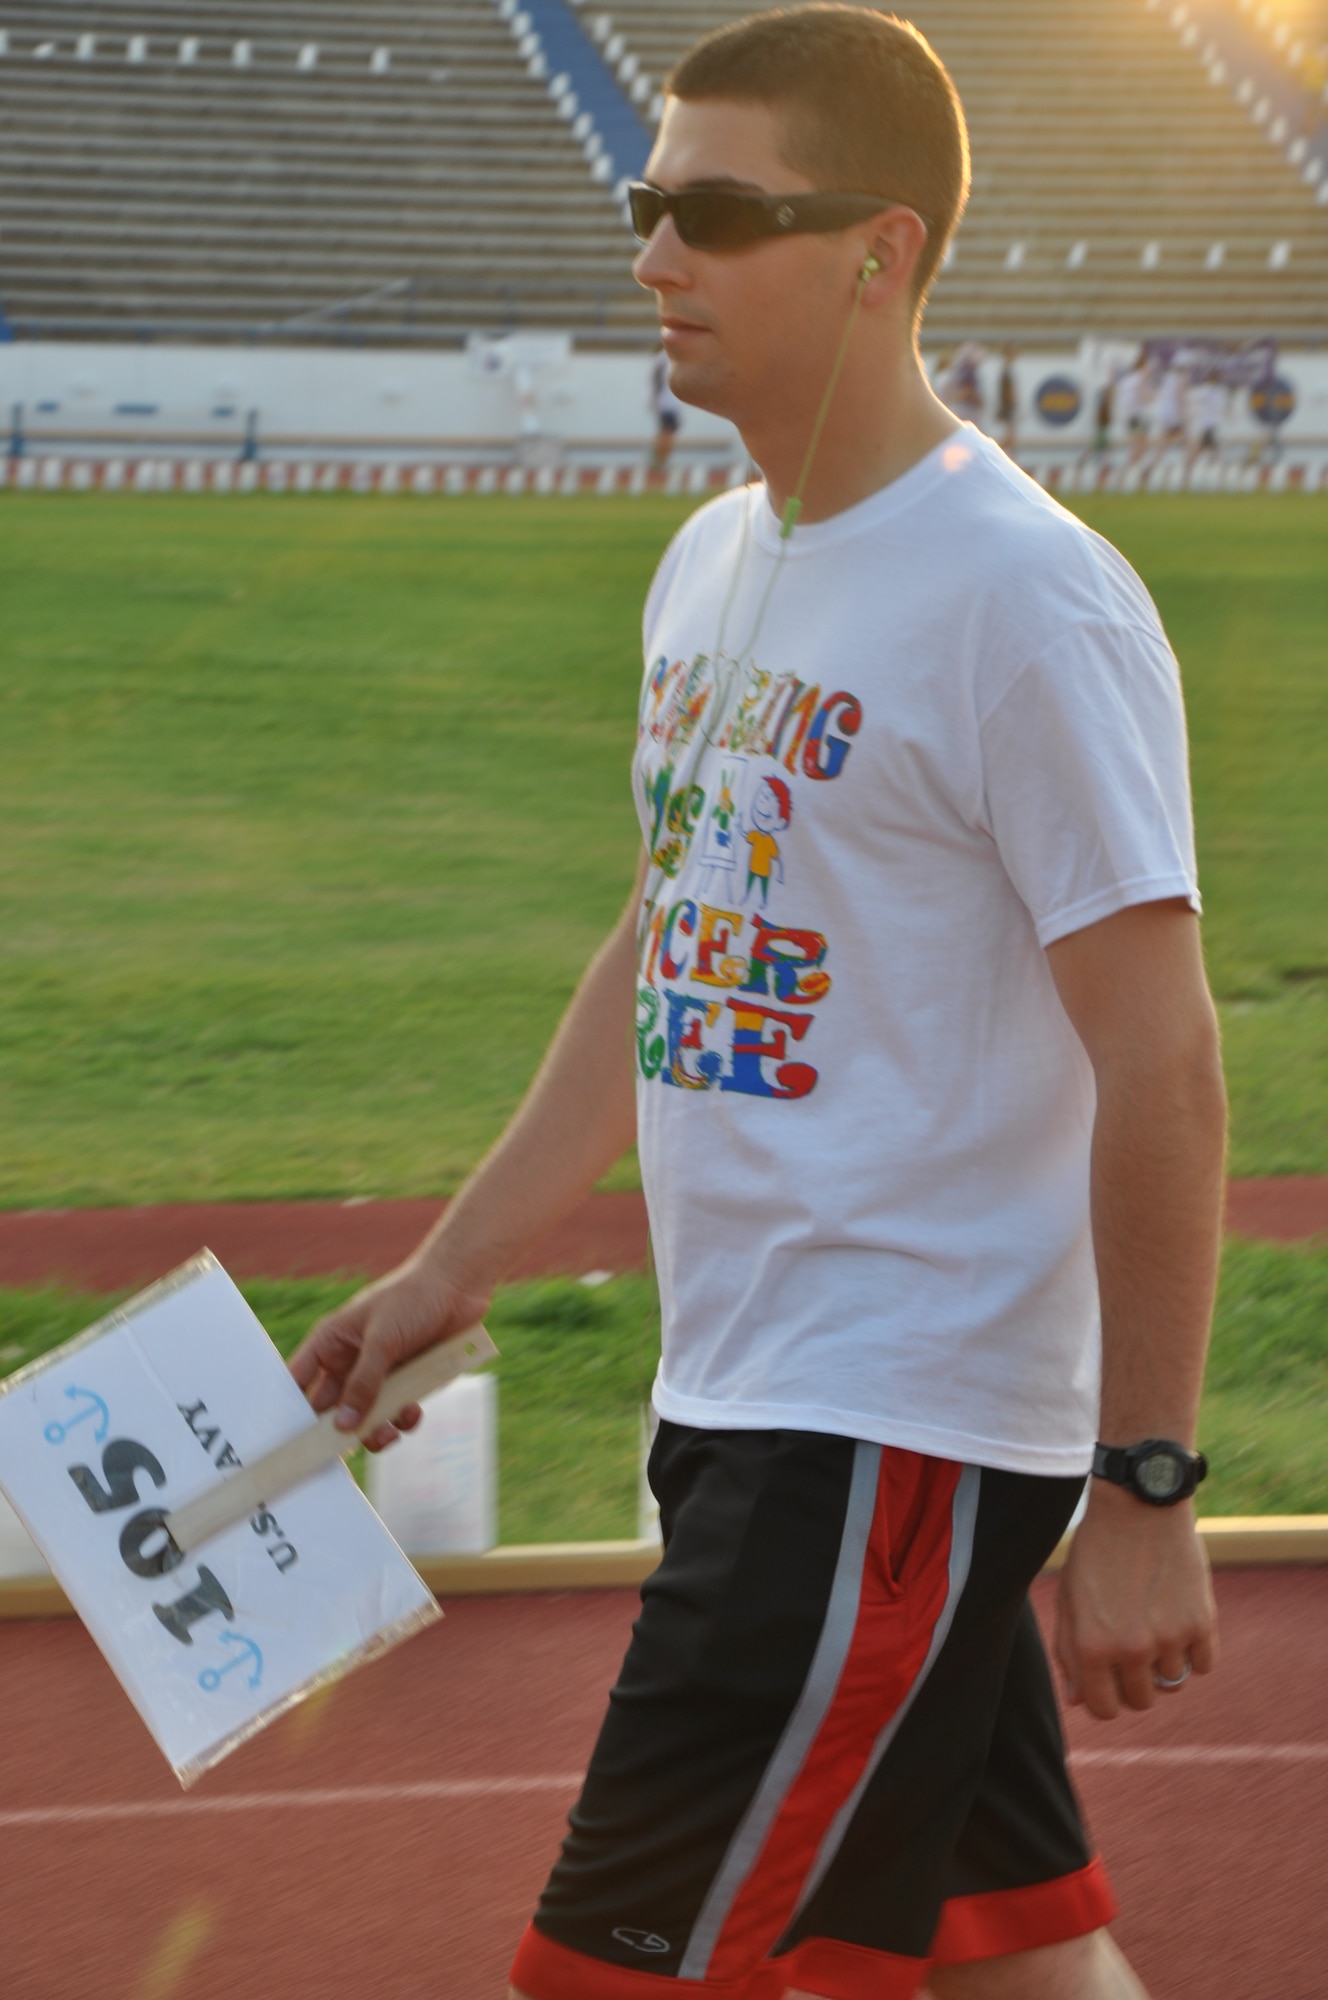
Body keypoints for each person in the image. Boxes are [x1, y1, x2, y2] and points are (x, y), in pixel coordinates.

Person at [291, 11, 1225, 1999]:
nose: (652, 257)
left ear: (879, 252)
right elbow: (665, 942)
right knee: (1014, 1969)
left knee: (610, 1975)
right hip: (739, 1397)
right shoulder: (713, 561)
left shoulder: (1023, 599)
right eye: (649, 204)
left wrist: (1146, 1483)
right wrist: (452, 1270)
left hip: (882, 1436)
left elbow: (1163, 1055)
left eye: (711, 211)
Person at [650, 345, 684, 470]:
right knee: (667, 430)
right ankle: (661, 458)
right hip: (666, 402)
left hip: (668, 402)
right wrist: (655, 400)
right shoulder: (664, 358)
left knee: (668, 430)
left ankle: (662, 457)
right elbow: (656, 382)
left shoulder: (664, 358)